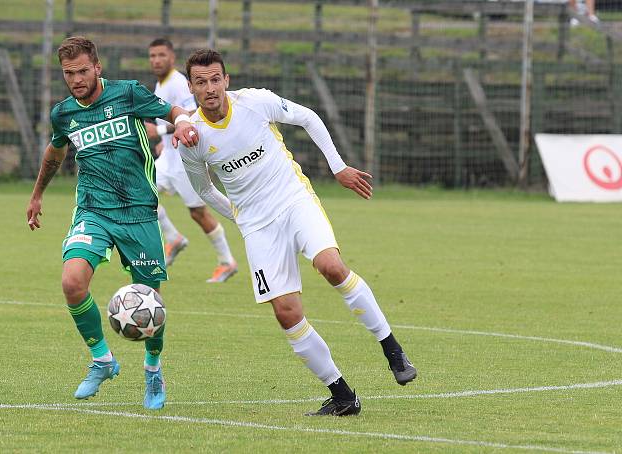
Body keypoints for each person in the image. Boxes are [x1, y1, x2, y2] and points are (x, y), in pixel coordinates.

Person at [178, 49, 416, 417]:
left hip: (294, 200)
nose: (210, 88)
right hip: (257, 225)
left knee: (331, 266)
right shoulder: (193, 138)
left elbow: (307, 117)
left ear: (226, 80)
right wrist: (237, 217)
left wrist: (337, 167)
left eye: (215, 79)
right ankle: (342, 395)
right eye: (200, 82)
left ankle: (392, 349)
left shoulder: (255, 102)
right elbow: (205, 190)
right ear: (191, 88)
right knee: (287, 313)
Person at [26, 36, 199, 410]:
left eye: (82, 71)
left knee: (150, 301)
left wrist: (184, 122)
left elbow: (171, 111)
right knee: (72, 282)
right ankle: (102, 360)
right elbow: (55, 151)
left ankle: (153, 369)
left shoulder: (128, 94)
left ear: (97, 68)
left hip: (138, 212)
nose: (76, 79)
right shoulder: (63, 113)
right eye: (68, 73)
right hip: (94, 210)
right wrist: (38, 193)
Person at [146, 37, 238, 283]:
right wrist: (162, 142)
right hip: (168, 158)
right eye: (152, 56)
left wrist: (161, 132)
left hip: (186, 159)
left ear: (172, 57)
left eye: (161, 55)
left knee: (198, 213)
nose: (156, 60)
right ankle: (173, 238)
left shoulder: (178, 83)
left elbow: (190, 116)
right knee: (139, 193)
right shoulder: (161, 85)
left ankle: (227, 261)